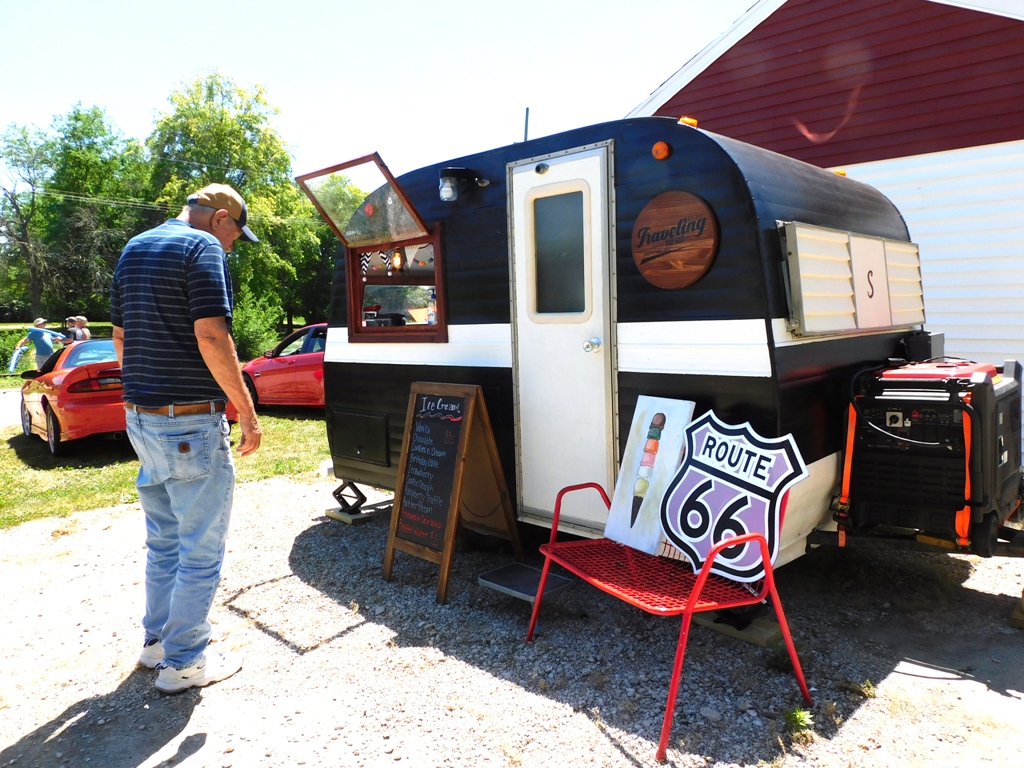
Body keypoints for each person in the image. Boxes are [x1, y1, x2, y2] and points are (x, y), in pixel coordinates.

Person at [110, 183, 262, 694]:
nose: (233, 245)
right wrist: (247, 413)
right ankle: (185, 662)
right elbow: (212, 334)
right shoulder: (202, 248)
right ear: (220, 218)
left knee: (164, 542)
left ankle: (157, 644)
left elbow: (121, 337)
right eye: (236, 234)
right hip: (189, 423)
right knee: (201, 547)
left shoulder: (135, 248)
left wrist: (143, 400)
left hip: (140, 417)